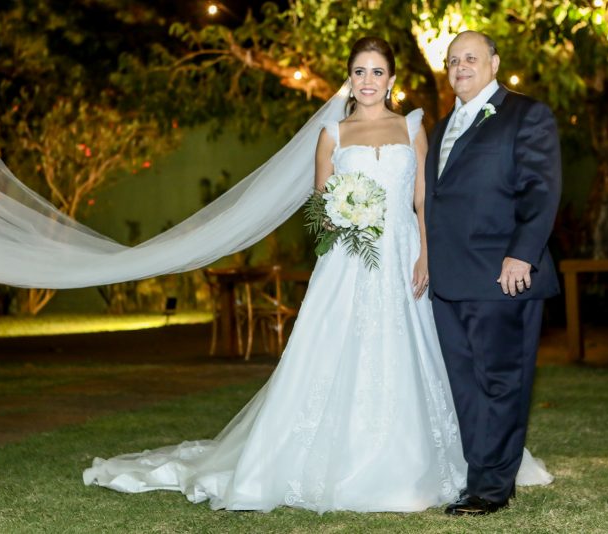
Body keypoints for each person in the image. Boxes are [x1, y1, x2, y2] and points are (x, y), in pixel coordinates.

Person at [81, 36, 551, 513]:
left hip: (406, 255)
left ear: (391, 80)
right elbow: (321, 206)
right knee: (336, 354)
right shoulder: (332, 133)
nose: (367, 81)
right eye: (359, 72)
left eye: (377, 72)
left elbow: (426, 200)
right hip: (349, 261)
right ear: (349, 78)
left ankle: (474, 464)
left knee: (435, 358)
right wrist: (346, 214)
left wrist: (426, 253)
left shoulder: (415, 128)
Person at [424, 31, 562, 516]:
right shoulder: (441, 128)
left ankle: (491, 488)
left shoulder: (527, 114)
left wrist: (522, 254)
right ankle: (477, 475)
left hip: (503, 276)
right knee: (464, 386)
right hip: (448, 282)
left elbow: (540, 189)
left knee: (501, 382)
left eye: (470, 58)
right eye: (453, 60)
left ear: (494, 63)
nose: (460, 66)